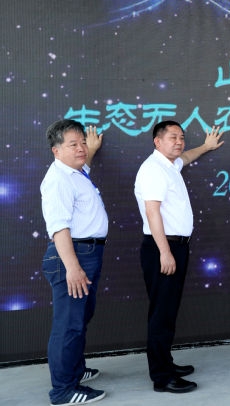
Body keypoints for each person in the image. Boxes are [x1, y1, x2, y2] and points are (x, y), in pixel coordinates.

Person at [134, 121, 224, 393]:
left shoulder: (170, 165)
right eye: (173, 137)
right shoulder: (153, 169)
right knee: (161, 314)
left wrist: (206, 147)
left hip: (175, 246)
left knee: (168, 311)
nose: (179, 142)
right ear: (157, 141)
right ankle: (162, 377)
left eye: (182, 137)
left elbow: (186, 157)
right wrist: (165, 252)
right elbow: (152, 212)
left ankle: (167, 364)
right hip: (163, 247)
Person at [41, 120, 107, 405]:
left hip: (86, 253)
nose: (81, 148)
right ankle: (63, 390)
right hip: (72, 256)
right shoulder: (58, 179)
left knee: (79, 319)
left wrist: (90, 151)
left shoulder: (75, 172)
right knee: (68, 324)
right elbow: (59, 228)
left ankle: (74, 370)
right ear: (56, 150)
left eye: (82, 142)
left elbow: (83, 163)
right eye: (73, 145)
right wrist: (73, 267)